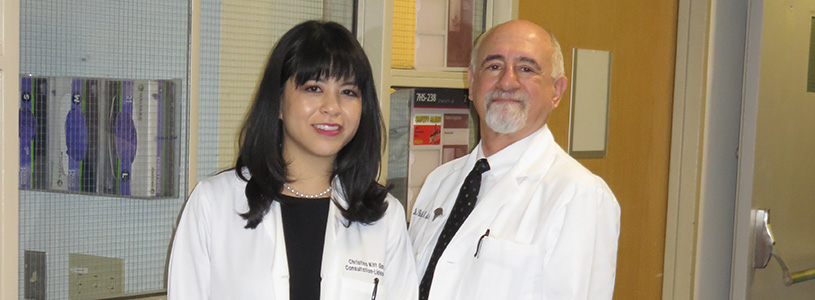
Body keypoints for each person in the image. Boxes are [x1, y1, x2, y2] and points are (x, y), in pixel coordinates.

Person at [168, 20, 418, 300]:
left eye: (348, 92)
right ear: (277, 102)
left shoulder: (385, 217)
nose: (332, 107)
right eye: (313, 88)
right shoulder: (213, 205)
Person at [408, 20, 620, 300]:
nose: (507, 81)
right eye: (494, 66)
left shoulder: (579, 196)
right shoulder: (439, 181)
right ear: (471, 84)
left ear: (556, 91)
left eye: (526, 68)